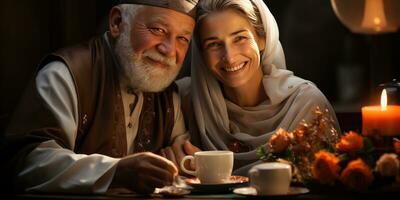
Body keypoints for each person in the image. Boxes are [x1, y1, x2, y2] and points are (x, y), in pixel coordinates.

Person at [1, 0, 200, 194]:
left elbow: (179, 151)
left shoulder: (168, 95)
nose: (169, 50)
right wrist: (115, 172)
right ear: (117, 23)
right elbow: (30, 163)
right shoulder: (66, 74)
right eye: (158, 30)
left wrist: (180, 157)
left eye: (182, 39)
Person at [177, 0, 341, 176]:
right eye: (214, 44)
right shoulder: (184, 99)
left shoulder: (306, 104)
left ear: (263, 39)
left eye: (239, 38)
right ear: (201, 54)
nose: (229, 57)